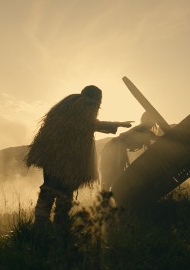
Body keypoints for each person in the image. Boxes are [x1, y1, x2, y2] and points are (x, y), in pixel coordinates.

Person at [24, 85, 131, 231]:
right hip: (67, 158)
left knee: (49, 187)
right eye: (99, 100)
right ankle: (58, 224)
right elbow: (91, 124)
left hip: (52, 155)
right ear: (96, 98)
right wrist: (117, 124)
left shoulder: (68, 104)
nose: (99, 105)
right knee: (64, 190)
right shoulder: (86, 105)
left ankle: (42, 223)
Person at [99, 111, 160, 193]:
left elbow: (150, 146)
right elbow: (156, 139)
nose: (152, 121)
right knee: (114, 175)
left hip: (114, 146)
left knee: (113, 176)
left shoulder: (144, 130)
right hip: (115, 147)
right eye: (152, 119)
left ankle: (107, 199)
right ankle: (108, 199)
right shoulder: (144, 129)